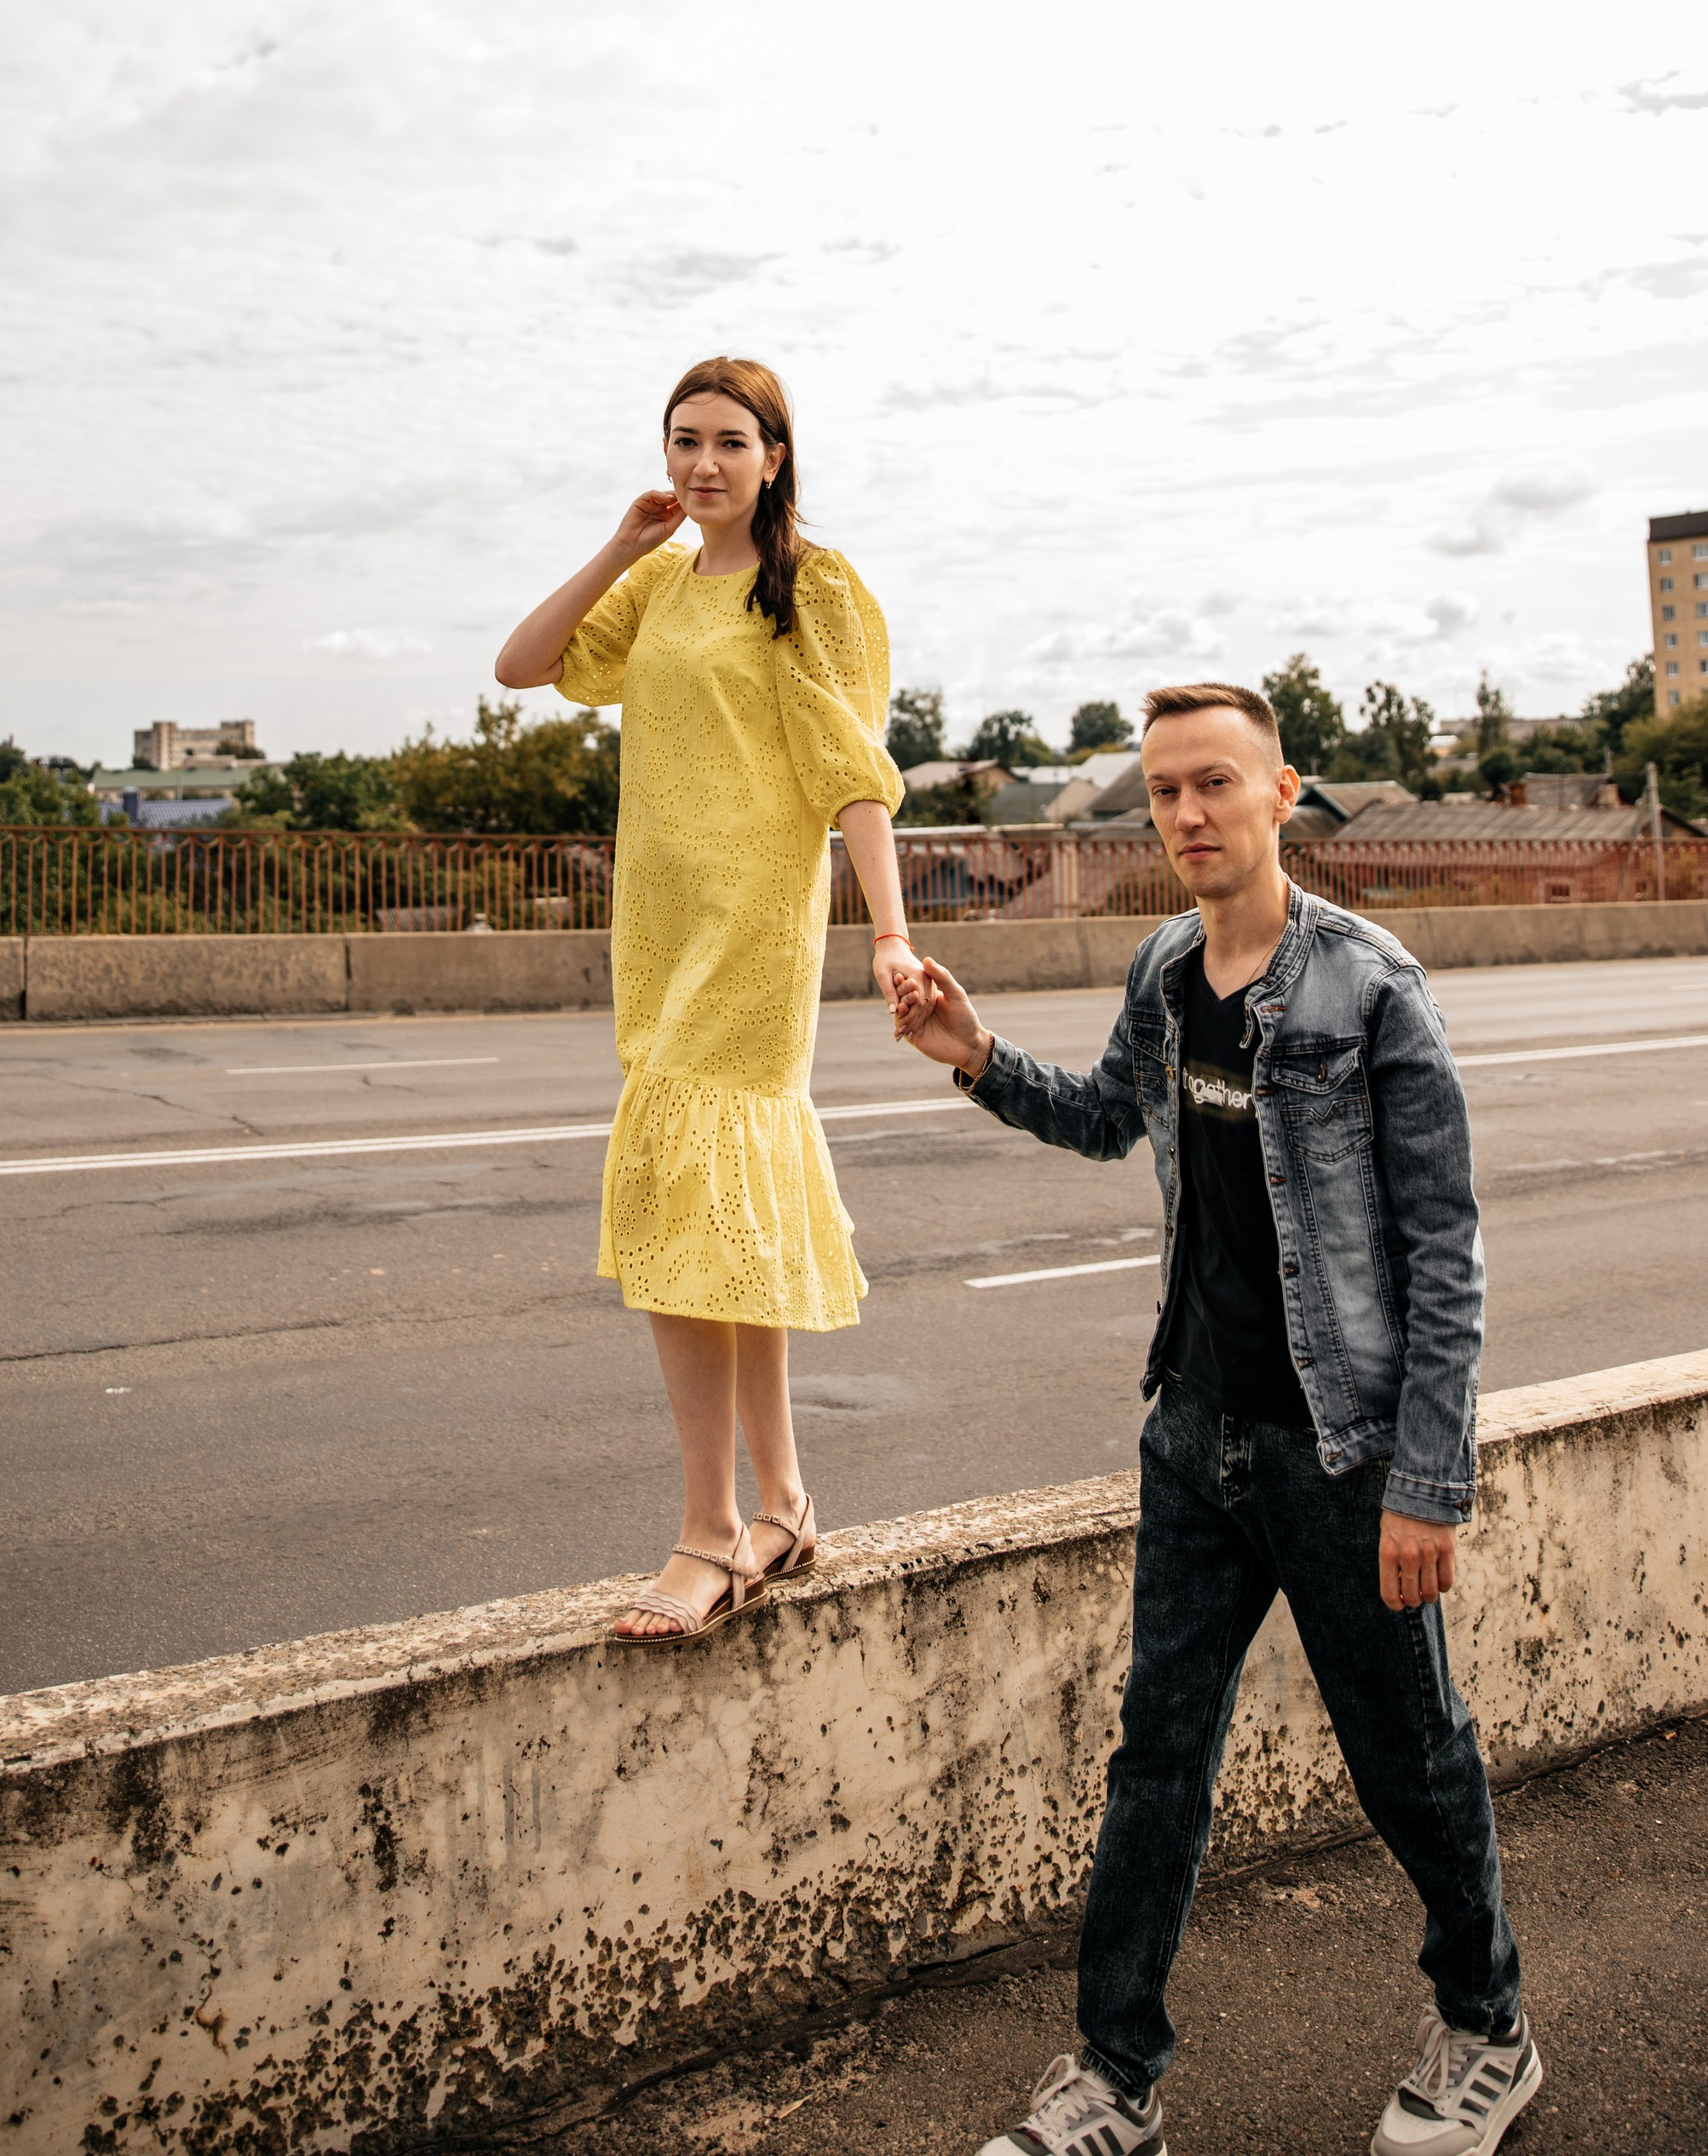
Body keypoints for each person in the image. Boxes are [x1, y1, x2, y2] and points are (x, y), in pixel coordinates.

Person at [901, 682, 1541, 2156]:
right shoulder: (1165, 967)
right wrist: (977, 1053)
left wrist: (1429, 1480)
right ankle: (1115, 2076)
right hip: (1194, 1436)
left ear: (1281, 793)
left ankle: (1489, 2027)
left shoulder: (1371, 985)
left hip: (1341, 1453)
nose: (1186, 813)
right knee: (1157, 1758)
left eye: (1214, 783)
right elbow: (1106, 1116)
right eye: (1164, 792)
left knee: (1412, 1758)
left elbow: (1445, 1248)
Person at [496, 355, 928, 1644]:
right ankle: (786, 1503)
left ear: (774, 456)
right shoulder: (656, 584)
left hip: (752, 927)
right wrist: (620, 545)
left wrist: (890, 933)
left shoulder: (816, 589)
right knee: (720, 1218)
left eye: (730, 441)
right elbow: (522, 665)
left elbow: (854, 771)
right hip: (660, 921)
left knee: (689, 1207)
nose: (703, 464)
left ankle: (710, 1530)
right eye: (684, 440)